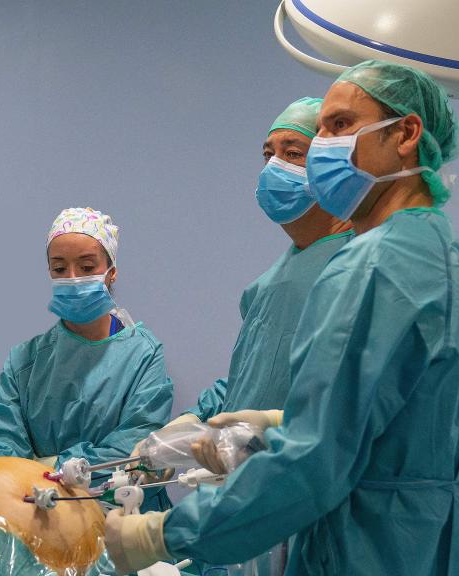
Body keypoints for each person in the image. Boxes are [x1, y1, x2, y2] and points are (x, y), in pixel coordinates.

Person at [104, 60, 459, 575]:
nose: (323, 149)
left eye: (339, 126)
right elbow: (429, 426)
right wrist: (280, 424)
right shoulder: (448, 258)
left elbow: (315, 465)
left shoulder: (375, 264)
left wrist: (162, 535)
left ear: (406, 133)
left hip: (380, 551)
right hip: (457, 546)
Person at [135, 98, 352, 482]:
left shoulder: (357, 267)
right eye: (268, 155)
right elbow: (251, 380)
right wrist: (194, 419)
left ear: (332, 166)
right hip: (251, 487)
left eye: (293, 153)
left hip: (309, 483)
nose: (273, 168)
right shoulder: (266, 287)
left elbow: (351, 397)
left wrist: (272, 431)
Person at [0, 207, 174, 509]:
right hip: (40, 513)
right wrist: (46, 482)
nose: (73, 278)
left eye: (87, 266)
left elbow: (134, 447)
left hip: (121, 519)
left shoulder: (143, 355)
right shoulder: (26, 360)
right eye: (60, 269)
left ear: (111, 272)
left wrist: (53, 470)